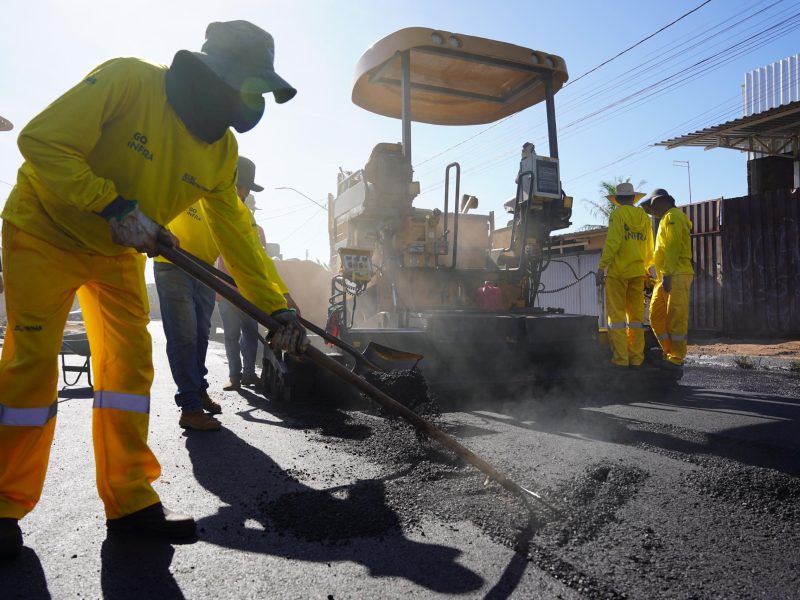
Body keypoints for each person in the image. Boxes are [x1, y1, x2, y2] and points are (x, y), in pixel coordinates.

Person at [0, 20, 309, 562]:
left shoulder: (221, 154)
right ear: (213, 75)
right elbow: (40, 141)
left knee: (128, 371)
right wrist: (112, 204)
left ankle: (130, 502)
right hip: (43, 229)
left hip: (117, 254)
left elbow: (238, 240)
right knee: (30, 365)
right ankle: (2, 506)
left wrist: (277, 307)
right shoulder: (129, 80)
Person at [216, 156, 299, 391]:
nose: (243, 195)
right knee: (231, 335)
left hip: (247, 293)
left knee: (250, 333)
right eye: (240, 187)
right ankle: (234, 377)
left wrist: (284, 297)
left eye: (246, 192)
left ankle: (249, 374)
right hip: (225, 291)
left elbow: (262, 261)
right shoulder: (212, 208)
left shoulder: (251, 224)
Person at [153, 202, 224, 432]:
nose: (244, 194)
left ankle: (198, 389)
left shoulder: (228, 205)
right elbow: (156, 197)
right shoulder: (194, 179)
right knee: (184, 336)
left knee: (202, 334)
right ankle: (190, 407)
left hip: (204, 270)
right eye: (242, 187)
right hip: (174, 263)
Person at [595, 181, 654, 370]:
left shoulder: (618, 214)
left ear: (617, 199)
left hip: (618, 273)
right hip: (638, 273)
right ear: (633, 197)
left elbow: (613, 242)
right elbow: (649, 245)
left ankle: (621, 359)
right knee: (636, 319)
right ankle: (636, 358)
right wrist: (646, 267)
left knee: (617, 318)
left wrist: (601, 267)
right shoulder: (643, 216)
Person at [639, 188, 694, 374]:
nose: (650, 212)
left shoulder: (673, 217)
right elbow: (661, 251)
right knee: (656, 316)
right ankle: (669, 353)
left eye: (650, 208)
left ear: (660, 202)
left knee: (676, 317)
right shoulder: (665, 219)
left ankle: (676, 358)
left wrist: (668, 274)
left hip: (676, 274)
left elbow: (672, 247)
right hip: (666, 276)